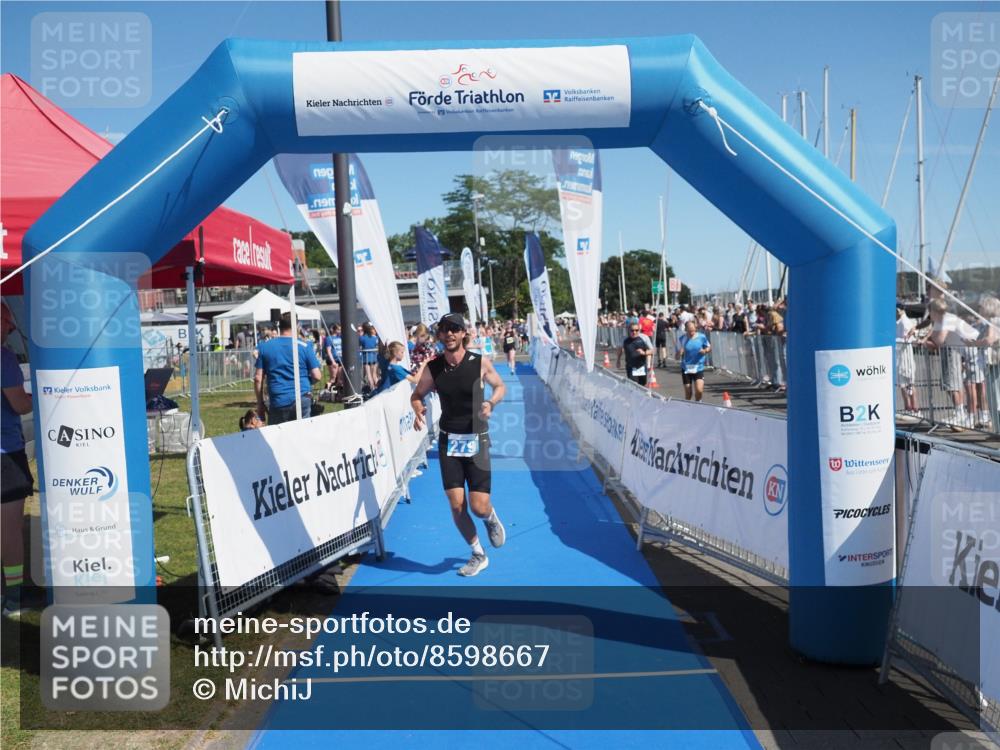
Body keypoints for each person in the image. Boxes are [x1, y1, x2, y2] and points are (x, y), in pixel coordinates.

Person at [411, 313, 507, 577]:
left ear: (464, 333)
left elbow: (500, 386)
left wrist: (491, 402)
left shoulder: (479, 363)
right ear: (440, 335)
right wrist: (418, 409)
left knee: (478, 506)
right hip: (449, 441)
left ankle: (489, 518)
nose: (450, 334)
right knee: (456, 505)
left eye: (455, 329)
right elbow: (417, 394)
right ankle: (478, 553)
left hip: (477, 438)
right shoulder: (433, 367)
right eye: (445, 330)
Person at [1, 304, 33, 617]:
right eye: (8, 323)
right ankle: (13, 597)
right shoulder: (4, 357)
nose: (10, 330)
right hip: (6, 455)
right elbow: (21, 406)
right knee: (9, 529)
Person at [254, 312, 323, 425]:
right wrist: (306, 382)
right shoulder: (305, 346)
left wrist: (260, 404)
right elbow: (317, 375)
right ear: (297, 326)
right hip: (302, 397)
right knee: (302, 434)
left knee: (278, 438)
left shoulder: (264, 347)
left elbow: (258, 378)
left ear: (279, 326)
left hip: (278, 399)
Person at [676, 319, 711, 401]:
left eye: (693, 330)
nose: (692, 332)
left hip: (698, 367)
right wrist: (679, 353)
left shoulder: (701, 337)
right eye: (689, 331)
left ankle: (698, 404)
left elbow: (709, 347)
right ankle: (689, 409)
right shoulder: (682, 339)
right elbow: (676, 357)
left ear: (695, 328)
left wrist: (705, 351)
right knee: (688, 393)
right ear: (686, 330)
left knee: (699, 390)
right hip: (686, 368)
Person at [616, 321, 652, 387]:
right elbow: (619, 349)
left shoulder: (644, 337)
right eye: (632, 330)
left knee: (642, 385)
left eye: (636, 330)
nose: (634, 332)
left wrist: (644, 353)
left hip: (642, 366)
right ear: (628, 330)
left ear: (639, 330)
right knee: (633, 385)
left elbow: (652, 350)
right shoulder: (624, 339)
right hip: (631, 366)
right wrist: (618, 360)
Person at [359, 323, 380, 392]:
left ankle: (372, 389)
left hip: (366, 358)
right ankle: (378, 388)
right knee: (374, 375)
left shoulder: (362, 338)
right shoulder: (375, 338)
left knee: (369, 375)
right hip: (374, 357)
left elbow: (359, 345)